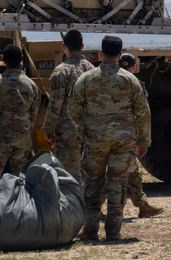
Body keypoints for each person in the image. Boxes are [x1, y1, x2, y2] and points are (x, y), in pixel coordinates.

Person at [70, 35, 151, 241]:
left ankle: (90, 230)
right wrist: (143, 141)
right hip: (123, 141)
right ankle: (113, 231)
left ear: (100, 52)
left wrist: (84, 131)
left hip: (95, 139)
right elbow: (143, 113)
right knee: (118, 184)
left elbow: (73, 109)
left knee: (92, 185)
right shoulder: (130, 80)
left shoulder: (87, 79)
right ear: (120, 53)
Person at [0, 44, 41, 179]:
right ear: (22, 59)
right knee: (21, 179)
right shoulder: (31, 85)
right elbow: (33, 115)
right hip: (22, 141)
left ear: (3, 60)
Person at [41, 29, 95, 182]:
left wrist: (49, 129)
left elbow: (54, 105)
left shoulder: (60, 72)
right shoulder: (92, 70)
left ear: (64, 46)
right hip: (90, 129)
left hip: (67, 131)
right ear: (82, 46)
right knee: (88, 172)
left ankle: (73, 204)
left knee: (68, 174)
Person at [117, 52, 164, 218]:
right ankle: (142, 205)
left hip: (101, 135)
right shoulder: (135, 83)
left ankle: (142, 204)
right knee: (129, 171)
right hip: (126, 135)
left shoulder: (101, 79)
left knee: (105, 172)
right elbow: (143, 113)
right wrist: (144, 140)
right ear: (134, 67)